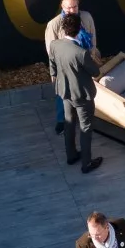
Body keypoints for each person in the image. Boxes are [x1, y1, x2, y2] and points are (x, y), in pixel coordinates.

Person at [49, 12, 103, 174]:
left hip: (64, 92)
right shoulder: (81, 53)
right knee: (86, 128)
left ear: (63, 29)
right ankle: (86, 163)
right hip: (82, 96)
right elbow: (95, 72)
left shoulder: (54, 45)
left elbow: (53, 67)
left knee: (69, 124)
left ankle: (71, 155)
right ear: (79, 29)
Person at [45, 0, 101, 136]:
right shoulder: (54, 24)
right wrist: (55, 72)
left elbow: (93, 37)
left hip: (84, 60)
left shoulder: (86, 17)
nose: (71, 10)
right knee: (64, 95)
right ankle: (61, 121)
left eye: (74, 6)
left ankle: (86, 117)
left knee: (84, 91)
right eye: (68, 7)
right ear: (62, 7)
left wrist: (92, 55)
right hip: (66, 66)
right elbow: (51, 50)